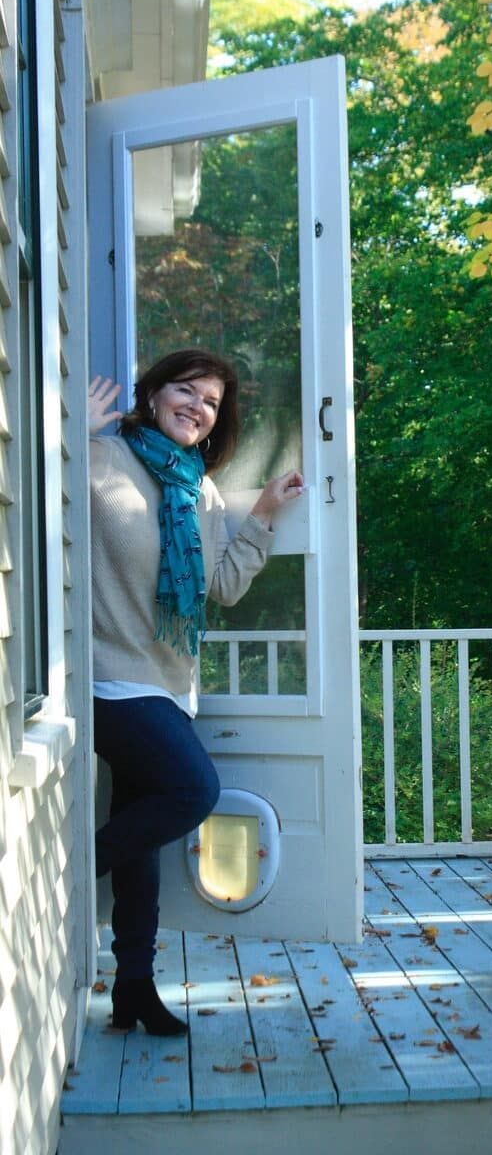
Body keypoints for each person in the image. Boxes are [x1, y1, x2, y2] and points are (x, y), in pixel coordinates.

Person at [88, 349, 303, 1036]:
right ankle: (64, 876)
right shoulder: (99, 458)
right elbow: (33, 504)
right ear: (153, 394)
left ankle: (134, 988)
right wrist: (63, 436)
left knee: (141, 843)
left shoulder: (196, 490)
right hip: (106, 678)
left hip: (168, 685)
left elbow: (221, 588)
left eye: (211, 402)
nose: (198, 407)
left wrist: (263, 513)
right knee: (192, 791)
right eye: (186, 390)